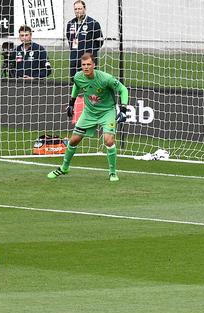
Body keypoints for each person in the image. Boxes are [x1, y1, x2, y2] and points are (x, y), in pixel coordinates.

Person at [48, 53, 129, 181]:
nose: (86, 67)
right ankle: (64, 167)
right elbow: (76, 85)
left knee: (108, 140)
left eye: (89, 65)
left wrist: (123, 109)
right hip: (89, 112)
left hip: (107, 111)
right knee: (74, 140)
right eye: (83, 65)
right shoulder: (78, 76)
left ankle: (112, 172)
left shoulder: (105, 78)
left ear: (94, 65)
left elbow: (123, 89)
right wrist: (71, 103)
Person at [66, 0, 103, 78]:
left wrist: (90, 52)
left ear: (84, 9)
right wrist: (75, 50)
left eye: (79, 8)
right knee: (75, 81)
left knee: (89, 81)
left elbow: (100, 41)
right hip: (74, 58)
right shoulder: (70, 23)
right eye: (75, 9)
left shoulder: (93, 23)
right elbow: (69, 39)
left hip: (88, 60)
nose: (77, 11)